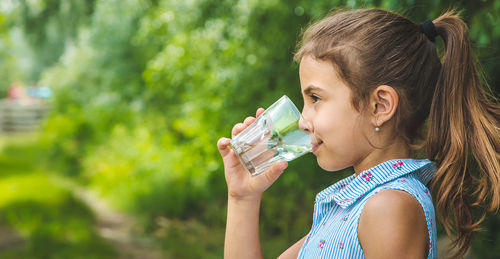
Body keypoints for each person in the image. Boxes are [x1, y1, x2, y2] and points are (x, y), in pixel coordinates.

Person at [217, 8, 500, 259]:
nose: (303, 121)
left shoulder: (389, 207)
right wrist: (243, 198)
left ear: (380, 106)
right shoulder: (349, 207)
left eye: (315, 98)